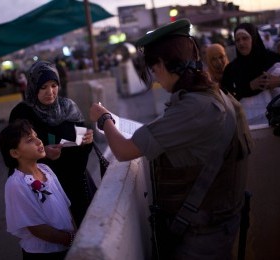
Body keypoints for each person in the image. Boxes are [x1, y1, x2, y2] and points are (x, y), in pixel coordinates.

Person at [89, 19, 252, 259]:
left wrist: (104, 119)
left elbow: (123, 151)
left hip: (202, 234)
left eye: (154, 70)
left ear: (165, 64)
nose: (155, 78)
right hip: (213, 224)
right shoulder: (210, 94)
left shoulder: (194, 107)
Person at [9, 60, 94, 227]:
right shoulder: (22, 114)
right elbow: (14, 154)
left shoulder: (69, 107)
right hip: (43, 188)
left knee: (84, 229)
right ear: (33, 86)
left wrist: (86, 141)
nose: (50, 92)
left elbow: (82, 138)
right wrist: (43, 154)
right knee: (57, 236)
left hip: (75, 183)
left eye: (54, 85)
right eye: (43, 87)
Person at [0, 119, 76, 260]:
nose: (38, 141)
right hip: (44, 254)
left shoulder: (45, 169)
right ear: (15, 153)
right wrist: (71, 239)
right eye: (29, 140)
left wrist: (74, 234)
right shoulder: (16, 184)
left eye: (36, 136)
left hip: (66, 244)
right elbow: (36, 228)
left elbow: (65, 206)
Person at [221, 23, 280, 125]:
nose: (241, 43)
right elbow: (225, 99)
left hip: (278, 122)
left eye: (245, 38)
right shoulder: (231, 69)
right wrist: (249, 87)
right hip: (249, 125)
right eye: (237, 40)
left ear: (254, 38)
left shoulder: (273, 59)